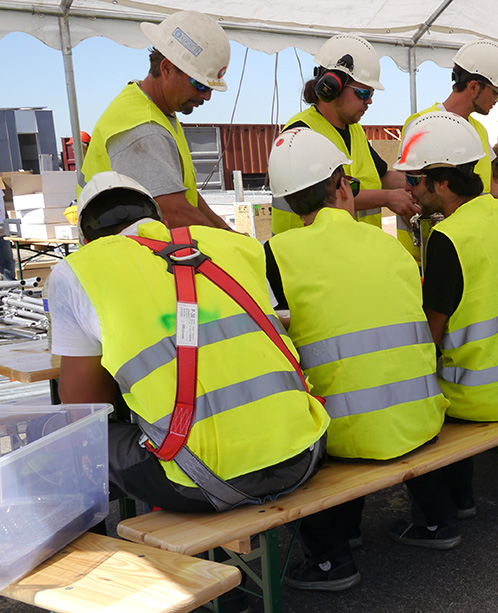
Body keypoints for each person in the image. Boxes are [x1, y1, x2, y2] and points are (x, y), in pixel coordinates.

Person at [49, 171, 330, 611]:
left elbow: (81, 404)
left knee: (84, 439)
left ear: (87, 237)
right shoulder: (233, 245)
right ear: (156, 219)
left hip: (204, 483)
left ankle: (114, 584)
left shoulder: (79, 271)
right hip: (305, 450)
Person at [263, 128, 448, 591]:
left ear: (287, 204)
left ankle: (331, 556)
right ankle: (438, 517)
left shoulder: (277, 254)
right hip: (421, 417)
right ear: (344, 186)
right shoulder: (390, 247)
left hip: (342, 434)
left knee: (287, 416)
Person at [388, 111, 498, 546]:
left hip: (485, 398)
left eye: (414, 181)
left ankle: (436, 518)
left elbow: (429, 336)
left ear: (442, 183)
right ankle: (461, 496)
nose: (408, 189)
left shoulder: (449, 238)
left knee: (401, 391)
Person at [396, 39, 498, 261]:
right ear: (473, 86)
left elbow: (490, 192)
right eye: (496, 92)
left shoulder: (478, 131)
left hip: (469, 249)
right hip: (429, 250)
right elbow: (409, 189)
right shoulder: (422, 124)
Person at [79, 11, 231, 229]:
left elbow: (186, 197)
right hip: (122, 258)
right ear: (167, 68)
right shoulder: (143, 128)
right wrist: (234, 248)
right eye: (200, 85)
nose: (207, 96)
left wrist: (230, 234)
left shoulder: (155, 109)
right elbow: (173, 210)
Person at [271, 34, 418, 236]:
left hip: (352, 252)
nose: (369, 102)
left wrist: (424, 180)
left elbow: (382, 177)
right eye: (364, 93)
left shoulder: (354, 130)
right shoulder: (300, 134)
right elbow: (326, 199)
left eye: (371, 94)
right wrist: (387, 198)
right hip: (307, 256)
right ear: (332, 86)